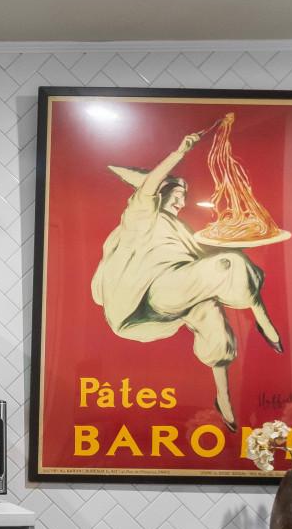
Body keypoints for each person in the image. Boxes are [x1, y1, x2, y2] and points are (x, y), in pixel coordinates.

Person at [90, 128, 282, 430]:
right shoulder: (142, 217)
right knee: (227, 265)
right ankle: (260, 315)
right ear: (161, 195)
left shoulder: (181, 231)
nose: (182, 203)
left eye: (184, 198)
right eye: (177, 196)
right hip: (152, 296)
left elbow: (209, 257)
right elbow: (149, 187)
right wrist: (178, 153)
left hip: (174, 296)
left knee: (211, 314)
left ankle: (223, 397)